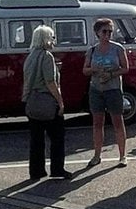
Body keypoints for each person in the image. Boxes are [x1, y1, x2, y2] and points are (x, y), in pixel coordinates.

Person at [22, 25, 71, 180]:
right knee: (57, 137)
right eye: (52, 37)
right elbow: (50, 82)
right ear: (46, 39)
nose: (54, 40)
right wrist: (60, 102)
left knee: (36, 139)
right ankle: (57, 169)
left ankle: (36, 171)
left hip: (32, 100)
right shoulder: (47, 56)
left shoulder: (30, 56)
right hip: (47, 101)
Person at [83, 17, 129, 168]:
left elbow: (125, 68)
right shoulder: (92, 50)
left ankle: (122, 155)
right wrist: (94, 69)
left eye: (110, 31)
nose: (108, 34)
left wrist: (111, 74)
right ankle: (97, 155)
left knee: (117, 121)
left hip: (113, 89)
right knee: (97, 122)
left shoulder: (118, 48)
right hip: (96, 89)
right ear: (97, 32)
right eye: (104, 31)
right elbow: (85, 70)